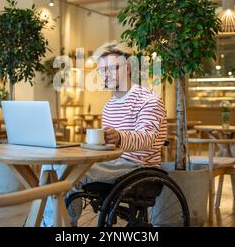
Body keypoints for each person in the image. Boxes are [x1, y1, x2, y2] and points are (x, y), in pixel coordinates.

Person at [39, 41, 167, 227]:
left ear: (128, 68)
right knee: (52, 163)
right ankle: (58, 223)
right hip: (112, 163)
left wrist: (120, 137)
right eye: (102, 70)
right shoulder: (110, 106)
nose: (107, 75)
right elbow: (108, 146)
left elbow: (148, 138)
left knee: (65, 171)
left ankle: (58, 226)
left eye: (113, 68)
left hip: (137, 166)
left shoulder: (149, 100)